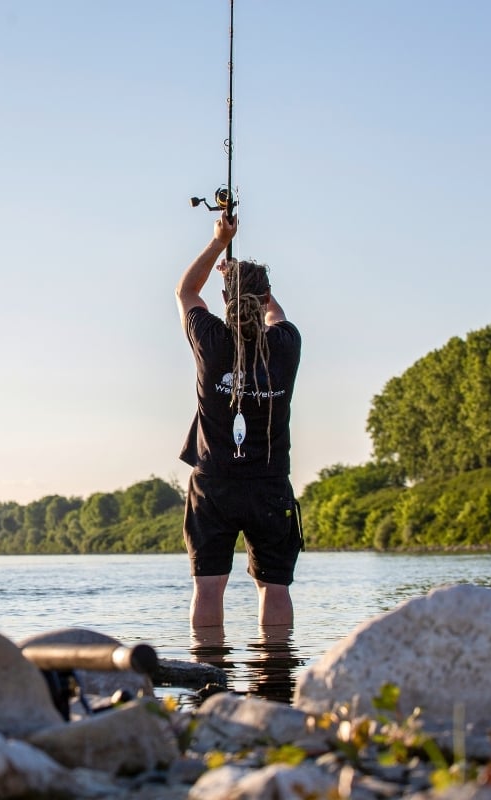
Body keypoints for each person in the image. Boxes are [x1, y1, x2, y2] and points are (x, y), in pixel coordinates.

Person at [174, 212, 303, 630]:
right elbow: (274, 317)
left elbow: (186, 291)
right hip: (269, 487)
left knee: (208, 589)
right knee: (275, 588)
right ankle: (276, 678)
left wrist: (218, 242)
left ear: (227, 301)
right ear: (264, 297)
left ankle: (210, 686)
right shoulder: (286, 345)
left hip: (214, 487)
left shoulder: (211, 341)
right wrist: (258, 291)